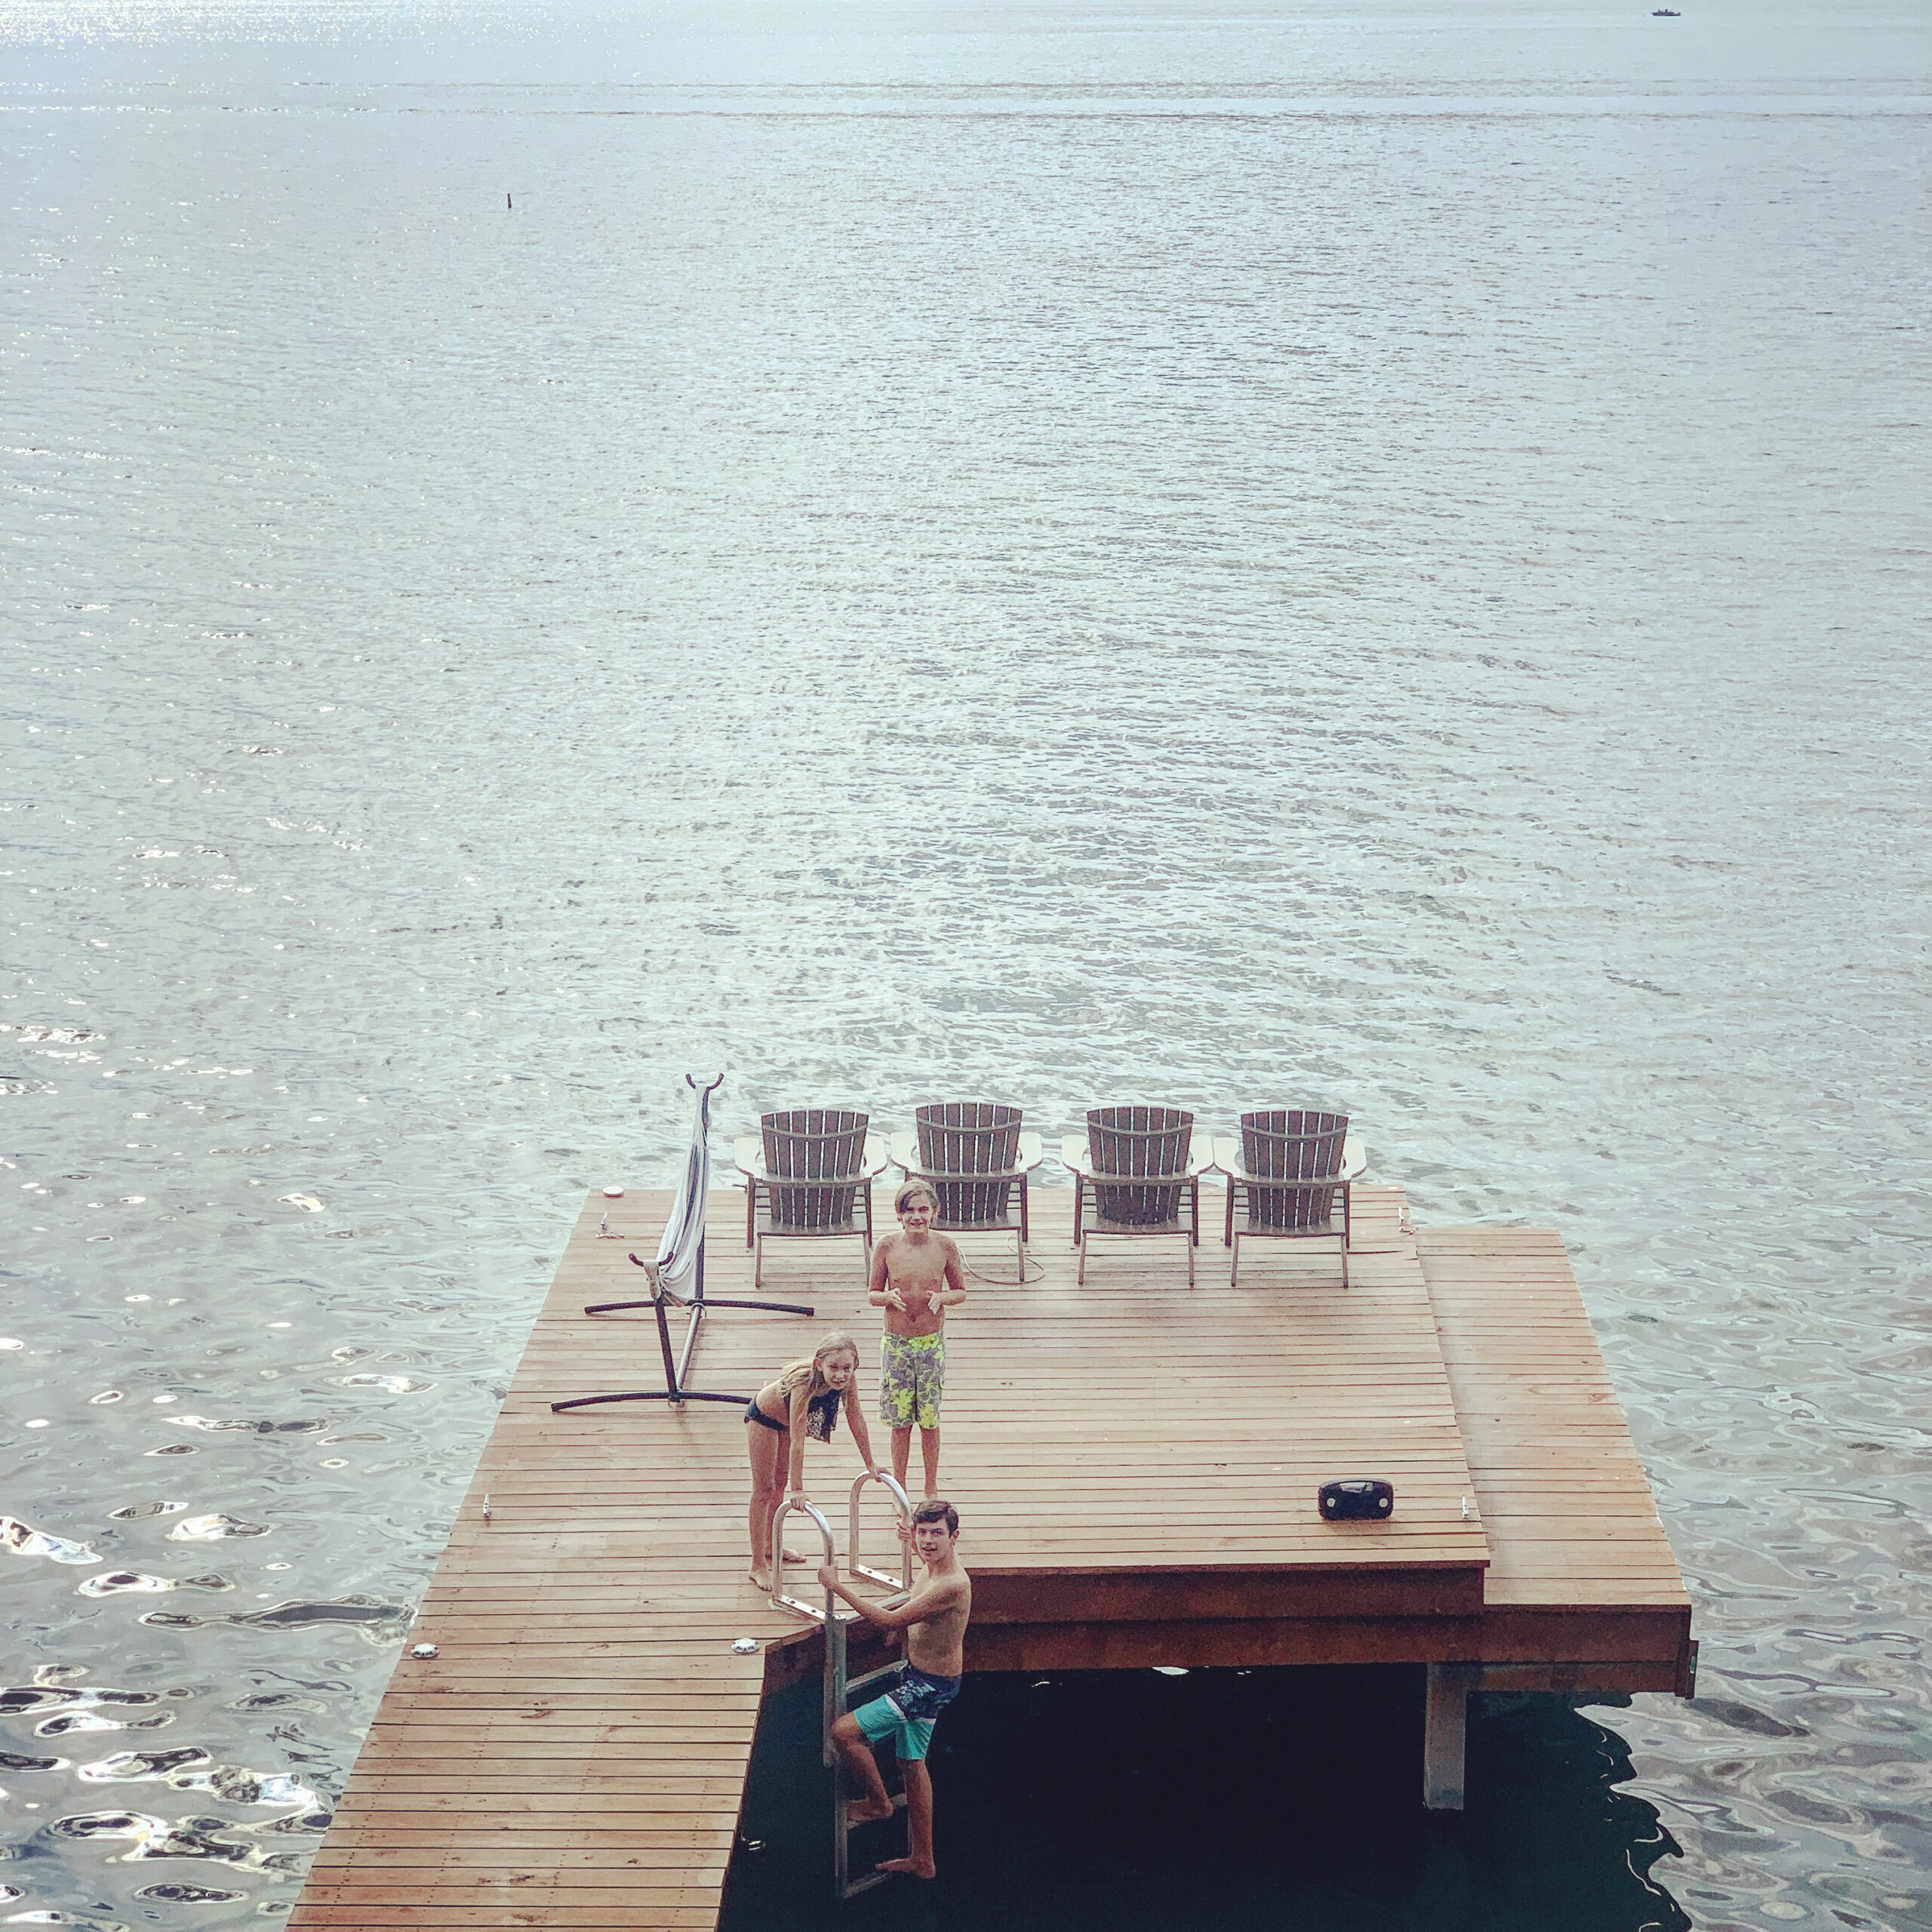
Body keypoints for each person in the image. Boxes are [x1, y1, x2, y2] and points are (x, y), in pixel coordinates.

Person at [820, 1497, 971, 1881]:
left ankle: (878, 1804)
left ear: (955, 1537)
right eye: (922, 1534)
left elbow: (888, 1620)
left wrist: (837, 1587)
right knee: (910, 1763)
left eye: (937, 1534)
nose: (927, 1542)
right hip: (924, 1676)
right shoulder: (932, 1565)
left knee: (844, 1732)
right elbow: (915, 1612)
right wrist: (909, 1536)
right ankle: (924, 1860)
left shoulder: (952, 1584)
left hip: (929, 1686)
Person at [743, 1332, 881, 1592]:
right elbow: (798, 1441)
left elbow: (857, 1420)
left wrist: (870, 1464)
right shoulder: (804, 1384)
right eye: (834, 1368)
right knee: (764, 1490)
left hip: (783, 1423)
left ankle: (771, 1545)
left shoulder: (848, 1382)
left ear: (855, 1366)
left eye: (847, 1368)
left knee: (779, 1484)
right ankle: (757, 1564)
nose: (840, 1375)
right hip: (763, 1418)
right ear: (819, 1364)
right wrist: (799, 1488)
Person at [869, 1180, 966, 1498]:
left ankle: (930, 1487)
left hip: (930, 1345)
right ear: (899, 1215)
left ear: (934, 1213)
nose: (916, 1217)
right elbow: (872, 1293)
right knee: (900, 1423)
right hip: (897, 1344)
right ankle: (900, 1487)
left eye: (923, 1210)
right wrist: (887, 1297)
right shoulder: (886, 1246)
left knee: (928, 1419)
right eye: (909, 1210)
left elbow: (960, 1291)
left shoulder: (945, 1246)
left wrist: (942, 1298)